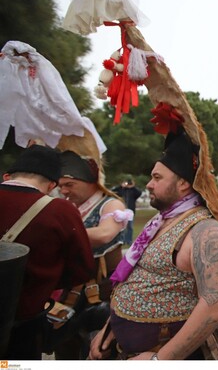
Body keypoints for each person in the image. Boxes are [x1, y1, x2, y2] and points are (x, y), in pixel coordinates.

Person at [88, 129, 218, 360]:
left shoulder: (205, 230)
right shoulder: (159, 222)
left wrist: (160, 360)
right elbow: (136, 281)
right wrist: (109, 328)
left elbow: (216, 305)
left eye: (157, 178)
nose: (148, 185)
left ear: (183, 183)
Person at [0, 145, 95, 360]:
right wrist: (42, 282)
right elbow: (83, 269)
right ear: (52, 184)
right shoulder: (61, 210)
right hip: (22, 324)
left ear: (7, 176)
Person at [54, 150, 130, 359]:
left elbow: (105, 234)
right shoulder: (68, 207)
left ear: (89, 181)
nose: (64, 190)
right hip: (72, 291)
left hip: (104, 291)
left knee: (100, 348)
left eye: (69, 184)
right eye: (60, 186)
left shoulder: (111, 204)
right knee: (66, 346)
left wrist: (61, 234)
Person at [112, 177, 142, 245]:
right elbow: (113, 191)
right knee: (121, 226)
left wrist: (133, 187)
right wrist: (121, 186)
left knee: (130, 227)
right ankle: (122, 240)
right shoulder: (121, 190)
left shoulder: (133, 191)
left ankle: (128, 240)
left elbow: (139, 193)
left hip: (130, 211)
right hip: (122, 210)